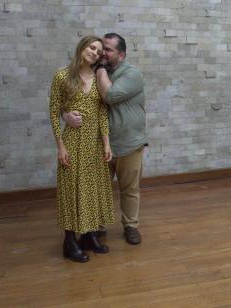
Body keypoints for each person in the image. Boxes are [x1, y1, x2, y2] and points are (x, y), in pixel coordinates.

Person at [64, 33, 147, 245]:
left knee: (129, 189)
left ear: (122, 54)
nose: (102, 54)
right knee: (97, 188)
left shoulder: (132, 74)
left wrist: (99, 69)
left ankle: (131, 226)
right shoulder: (87, 74)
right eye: (102, 49)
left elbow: (109, 96)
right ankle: (95, 227)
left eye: (108, 50)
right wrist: (66, 115)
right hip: (97, 144)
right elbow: (71, 101)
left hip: (129, 143)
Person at [49, 35, 114, 263]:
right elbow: (54, 112)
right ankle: (69, 241)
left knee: (91, 189)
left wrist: (106, 143)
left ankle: (88, 235)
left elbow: (103, 112)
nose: (94, 53)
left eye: (98, 51)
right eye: (91, 47)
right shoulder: (62, 75)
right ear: (82, 47)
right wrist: (60, 146)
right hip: (72, 142)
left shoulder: (98, 78)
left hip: (94, 144)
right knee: (71, 189)